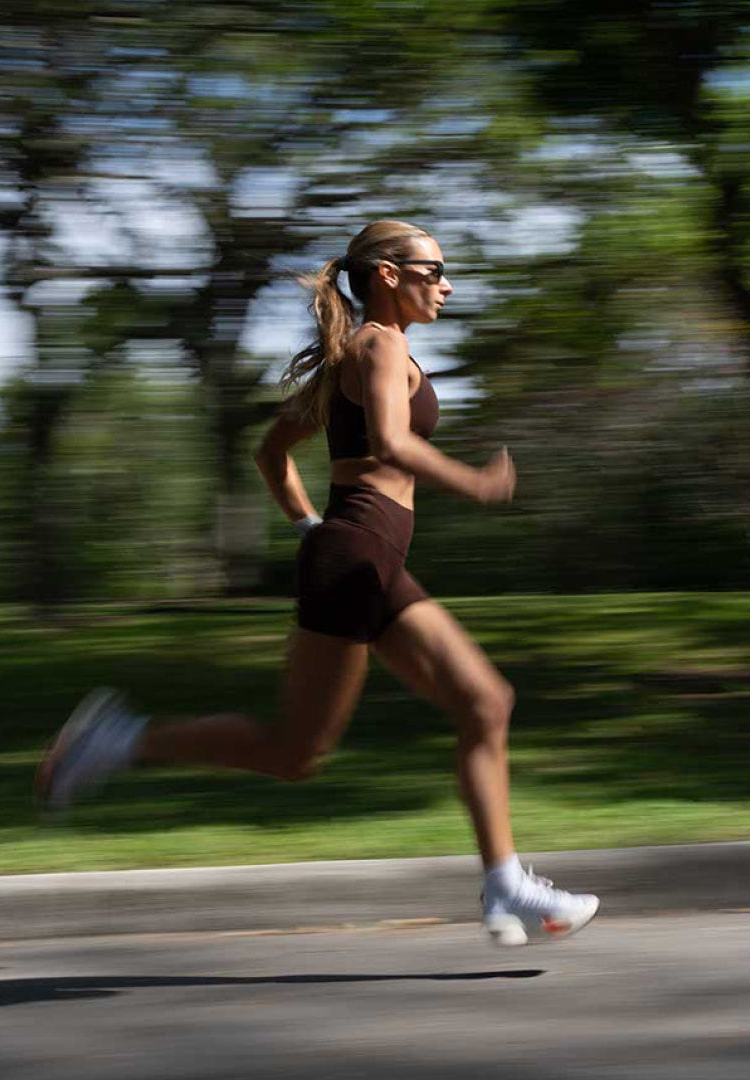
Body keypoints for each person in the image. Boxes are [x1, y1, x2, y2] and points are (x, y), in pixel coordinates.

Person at [35, 220, 599, 947]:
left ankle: (506, 885)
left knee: (486, 701)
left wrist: (308, 529)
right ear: (390, 276)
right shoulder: (378, 344)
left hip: (365, 559)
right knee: (296, 752)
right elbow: (391, 444)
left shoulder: (351, 356)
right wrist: (475, 483)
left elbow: (273, 454)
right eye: (435, 270)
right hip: (357, 557)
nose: (447, 285)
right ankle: (119, 741)